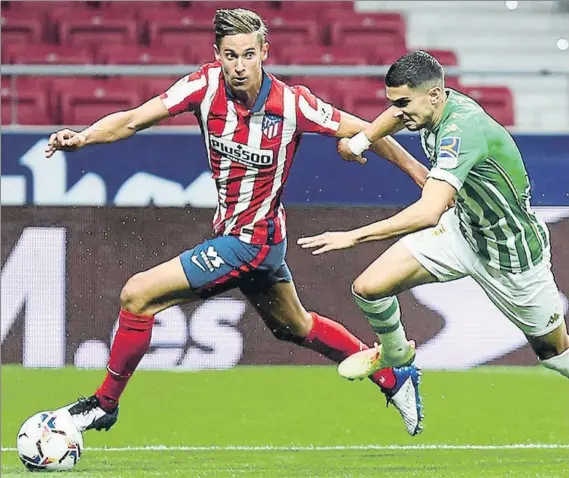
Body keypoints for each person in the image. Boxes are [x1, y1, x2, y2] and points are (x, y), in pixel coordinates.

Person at [45, 10, 430, 436]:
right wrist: (83, 136)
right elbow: (134, 118)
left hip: (254, 243)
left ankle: (104, 404)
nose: (240, 65)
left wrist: (417, 172)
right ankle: (395, 378)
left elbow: (368, 130)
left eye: (249, 54)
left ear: (264, 52)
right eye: (231, 55)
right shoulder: (203, 86)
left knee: (137, 295)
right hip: (246, 238)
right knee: (294, 326)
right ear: (218, 55)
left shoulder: (293, 104)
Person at [298, 51, 569, 388]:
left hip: (511, 255)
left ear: (435, 95)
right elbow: (396, 116)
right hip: (464, 231)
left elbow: (428, 212)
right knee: (369, 288)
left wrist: (353, 236)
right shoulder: (429, 107)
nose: (398, 111)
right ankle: (396, 354)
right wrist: (360, 141)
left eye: (404, 102)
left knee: (556, 356)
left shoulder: (461, 130)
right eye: (394, 102)